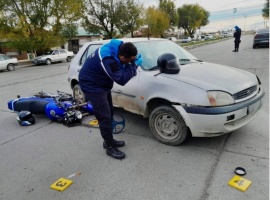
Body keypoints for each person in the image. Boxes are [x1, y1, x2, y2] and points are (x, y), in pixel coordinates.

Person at [78, 39, 143, 160]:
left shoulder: (120, 47)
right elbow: (121, 80)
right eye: (129, 60)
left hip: (102, 83)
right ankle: (109, 147)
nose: (130, 62)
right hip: (92, 85)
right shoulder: (108, 59)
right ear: (123, 58)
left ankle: (109, 140)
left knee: (110, 111)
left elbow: (122, 68)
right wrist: (134, 66)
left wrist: (131, 62)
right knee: (105, 116)